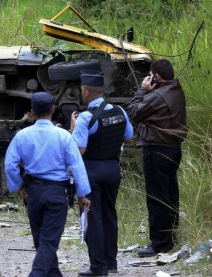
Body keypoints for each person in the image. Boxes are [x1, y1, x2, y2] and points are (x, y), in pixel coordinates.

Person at [5, 92, 92, 277]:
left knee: (42, 240)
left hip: (33, 193)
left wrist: (18, 186)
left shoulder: (22, 136)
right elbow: (77, 166)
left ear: (32, 112)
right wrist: (82, 194)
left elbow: (10, 164)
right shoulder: (64, 136)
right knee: (48, 242)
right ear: (53, 109)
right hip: (56, 193)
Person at [70, 70, 133, 276]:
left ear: (86, 92)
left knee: (92, 217)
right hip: (113, 169)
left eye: (82, 90)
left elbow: (79, 151)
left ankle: (98, 267)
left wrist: (72, 132)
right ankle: (111, 262)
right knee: (109, 214)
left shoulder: (86, 118)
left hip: (92, 172)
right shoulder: (119, 111)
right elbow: (129, 137)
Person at [126, 59, 188, 257]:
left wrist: (143, 90)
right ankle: (170, 236)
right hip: (172, 149)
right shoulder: (175, 90)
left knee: (156, 197)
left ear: (156, 77)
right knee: (170, 194)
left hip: (157, 149)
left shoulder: (158, 95)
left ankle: (160, 243)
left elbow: (134, 112)